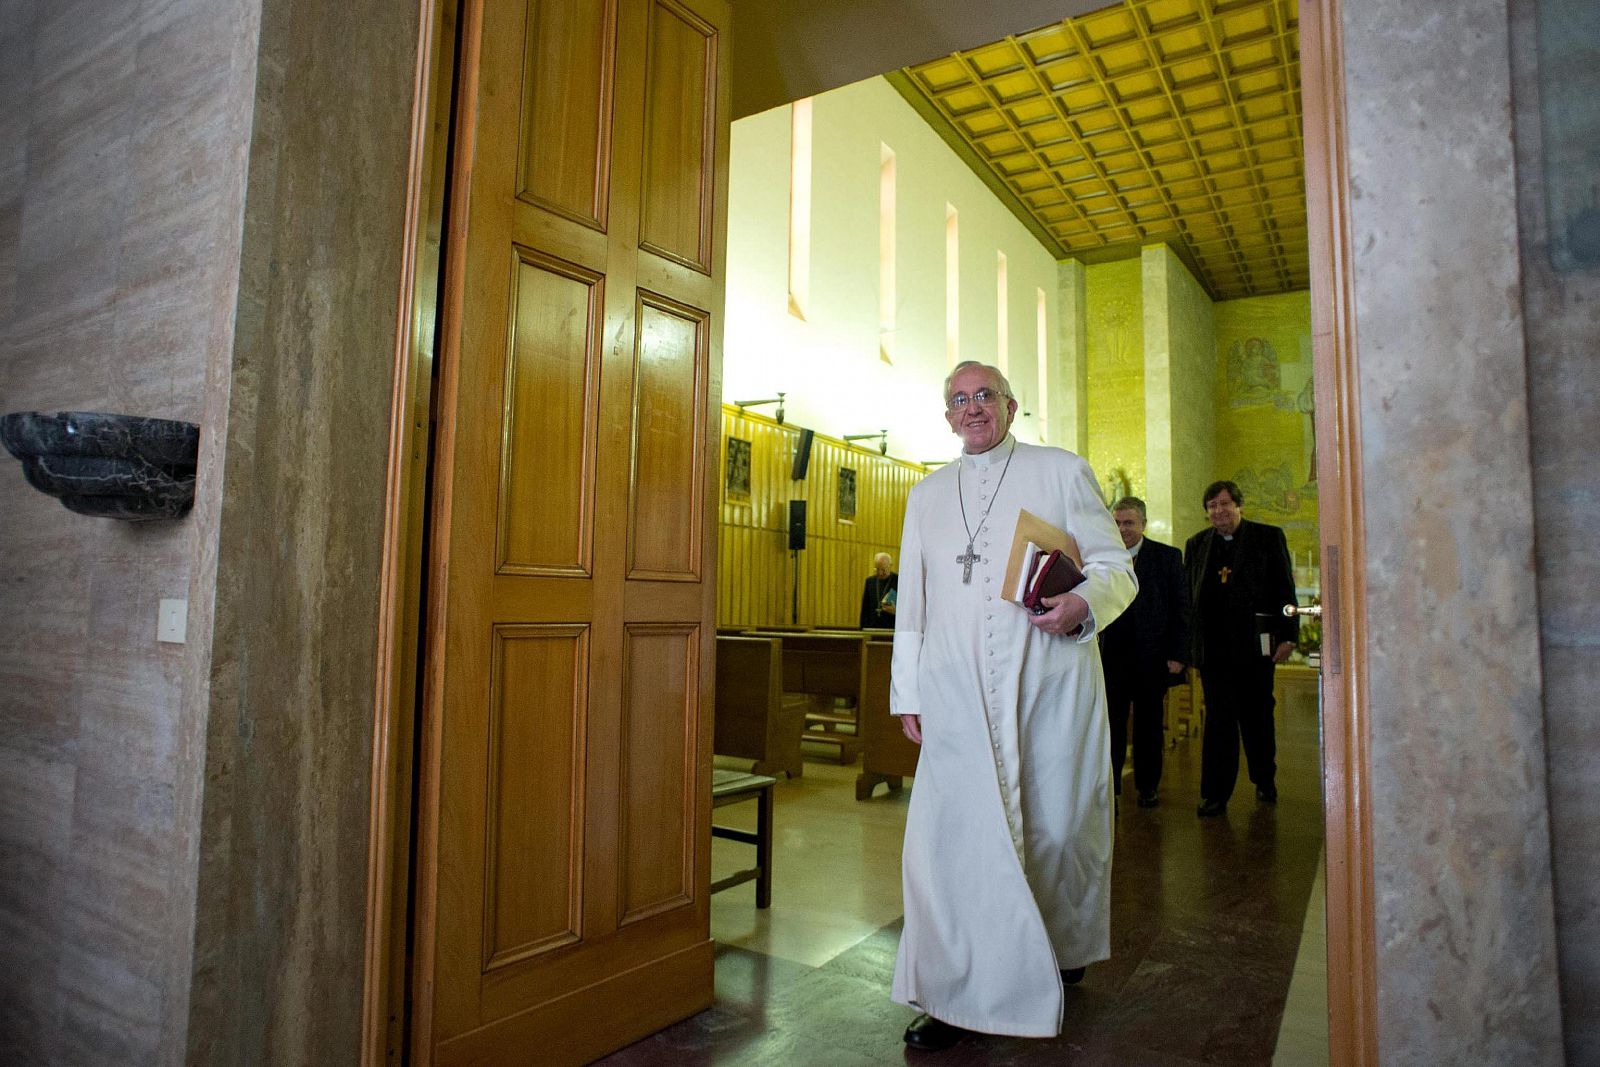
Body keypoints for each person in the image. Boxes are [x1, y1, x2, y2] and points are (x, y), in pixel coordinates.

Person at [890, 361, 1136, 1051]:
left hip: (1049, 684)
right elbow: (912, 602)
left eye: (985, 396)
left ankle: (1058, 947)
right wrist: (906, 689)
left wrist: (1082, 602)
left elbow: (1117, 566)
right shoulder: (926, 495)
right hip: (954, 695)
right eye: (960, 399)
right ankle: (949, 991)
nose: (973, 408)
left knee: (1056, 829)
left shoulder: (1060, 470)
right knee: (950, 845)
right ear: (947, 416)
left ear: (1011, 405)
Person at [1183, 480, 1298, 817]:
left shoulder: (1267, 538)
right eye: (1212, 506)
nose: (1219, 511)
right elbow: (1192, 597)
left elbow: (1285, 591)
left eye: (1224, 504)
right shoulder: (1198, 544)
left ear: (1239, 505)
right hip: (1215, 652)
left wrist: (1288, 635)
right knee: (1219, 721)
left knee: (1258, 716)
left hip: (1255, 648)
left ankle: (1265, 778)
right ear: (1206, 513)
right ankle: (1215, 794)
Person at [1099, 496, 1190, 809]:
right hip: (1111, 658)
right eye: (1116, 522)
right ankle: (1110, 787)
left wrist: (1179, 654)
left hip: (1152, 657)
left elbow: (1181, 608)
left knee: (1149, 725)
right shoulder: (1102, 558)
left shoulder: (1166, 557)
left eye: (1128, 523)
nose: (1122, 529)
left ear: (1143, 524)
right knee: (1111, 724)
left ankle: (1147, 786)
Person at [859, 551, 898, 628]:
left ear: (890, 566)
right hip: (872, 628)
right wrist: (863, 629)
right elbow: (865, 608)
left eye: (883, 570)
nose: (880, 573)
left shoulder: (899, 581)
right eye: (877, 569)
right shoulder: (870, 582)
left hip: (891, 628)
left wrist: (896, 612)